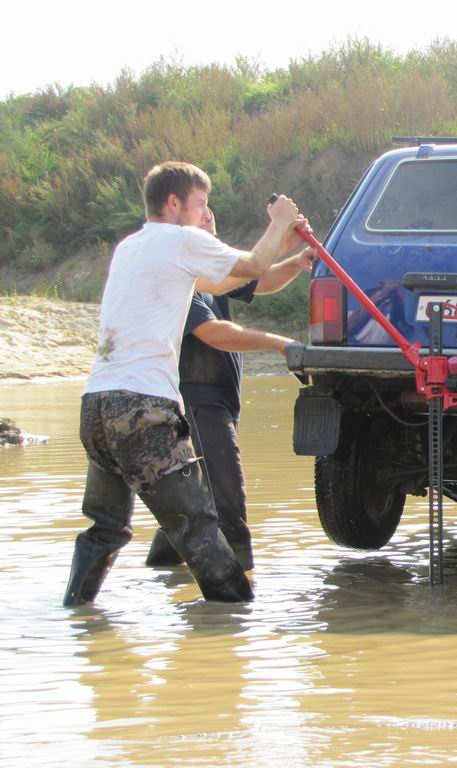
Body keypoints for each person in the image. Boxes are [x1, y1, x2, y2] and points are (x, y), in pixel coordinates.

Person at [63, 161, 305, 606]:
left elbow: (230, 280)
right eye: (201, 203)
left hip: (96, 405)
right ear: (174, 204)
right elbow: (253, 263)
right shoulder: (180, 240)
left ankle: (76, 614)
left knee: (107, 528)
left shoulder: (131, 247)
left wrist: (284, 250)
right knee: (198, 528)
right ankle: (236, 619)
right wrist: (280, 221)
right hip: (142, 409)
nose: (205, 212)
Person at [145, 209, 313, 571]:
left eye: (210, 207)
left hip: (215, 404)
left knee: (192, 508)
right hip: (198, 406)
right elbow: (215, 334)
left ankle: (162, 579)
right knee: (228, 507)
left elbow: (260, 280)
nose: (209, 214)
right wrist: (279, 342)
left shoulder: (209, 276)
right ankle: (239, 589)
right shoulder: (181, 281)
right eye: (199, 208)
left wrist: (296, 262)